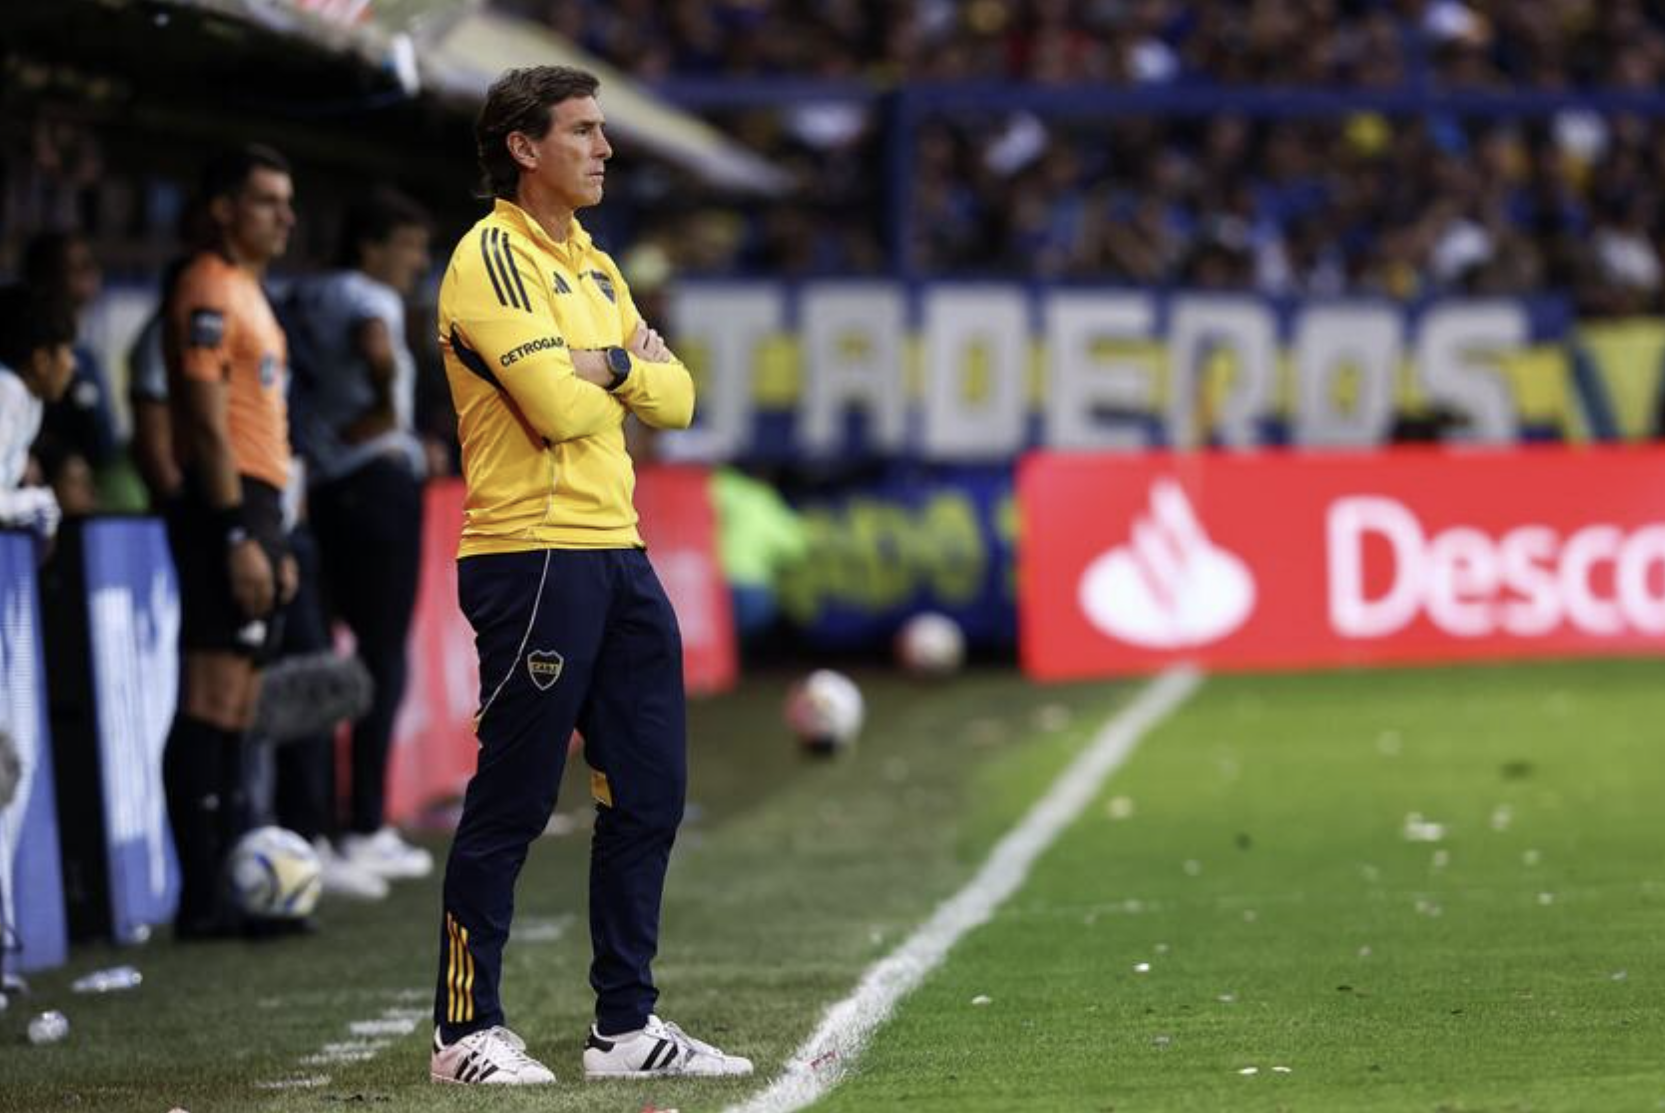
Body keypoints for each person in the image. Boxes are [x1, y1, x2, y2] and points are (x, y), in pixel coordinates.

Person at [427, 65, 752, 1085]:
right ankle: (463, 1031)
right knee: (516, 798)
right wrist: (625, 368)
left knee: (650, 792)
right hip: (530, 555)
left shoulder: (598, 267)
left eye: (602, 131)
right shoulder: (489, 259)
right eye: (582, 131)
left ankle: (625, 1028)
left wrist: (603, 364)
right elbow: (558, 410)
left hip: (619, 551)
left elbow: (680, 397)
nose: (605, 149)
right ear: (524, 148)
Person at [160, 144, 300, 939]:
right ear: (223, 209)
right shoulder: (207, 287)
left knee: (239, 700)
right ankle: (200, 898)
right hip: (228, 504)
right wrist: (237, 532)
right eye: (266, 201)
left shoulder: (249, 289)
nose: (285, 216)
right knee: (209, 695)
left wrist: (274, 531)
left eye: (287, 201)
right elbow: (208, 426)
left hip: (260, 504)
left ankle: (227, 881)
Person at [284, 187, 434, 883]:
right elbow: (376, 348)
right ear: (369, 245)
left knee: (321, 653)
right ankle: (365, 825)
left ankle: (311, 820)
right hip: (375, 482)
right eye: (407, 246)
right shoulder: (369, 298)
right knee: (381, 653)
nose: (418, 261)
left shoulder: (303, 294)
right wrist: (384, 414)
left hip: (322, 487)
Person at [0, 285, 77, 541]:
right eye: (68, 351)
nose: (73, 365)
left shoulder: (30, 398)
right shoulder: (6, 391)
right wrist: (37, 503)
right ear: (42, 360)